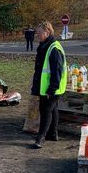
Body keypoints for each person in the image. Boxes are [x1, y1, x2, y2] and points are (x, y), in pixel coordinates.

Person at [31, 21, 67, 149]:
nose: (37, 35)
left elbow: (57, 71)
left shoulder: (54, 48)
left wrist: (51, 89)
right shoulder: (45, 46)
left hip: (51, 88)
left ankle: (41, 137)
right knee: (53, 109)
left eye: (39, 33)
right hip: (49, 87)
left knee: (45, 110)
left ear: (47, 32)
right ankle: (53, 134)